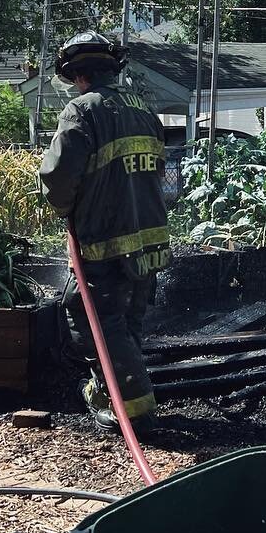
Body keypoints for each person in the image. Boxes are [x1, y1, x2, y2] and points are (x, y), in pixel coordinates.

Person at [39, 31, 171, 433]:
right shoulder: (145, 111)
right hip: (148, 236)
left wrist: (65, 210)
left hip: (104, 240)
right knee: (128, 318)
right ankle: (119, 394)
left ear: (78, 76)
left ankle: (134, 413)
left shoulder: (82, 111)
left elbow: (59, 179)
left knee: (91, 318)